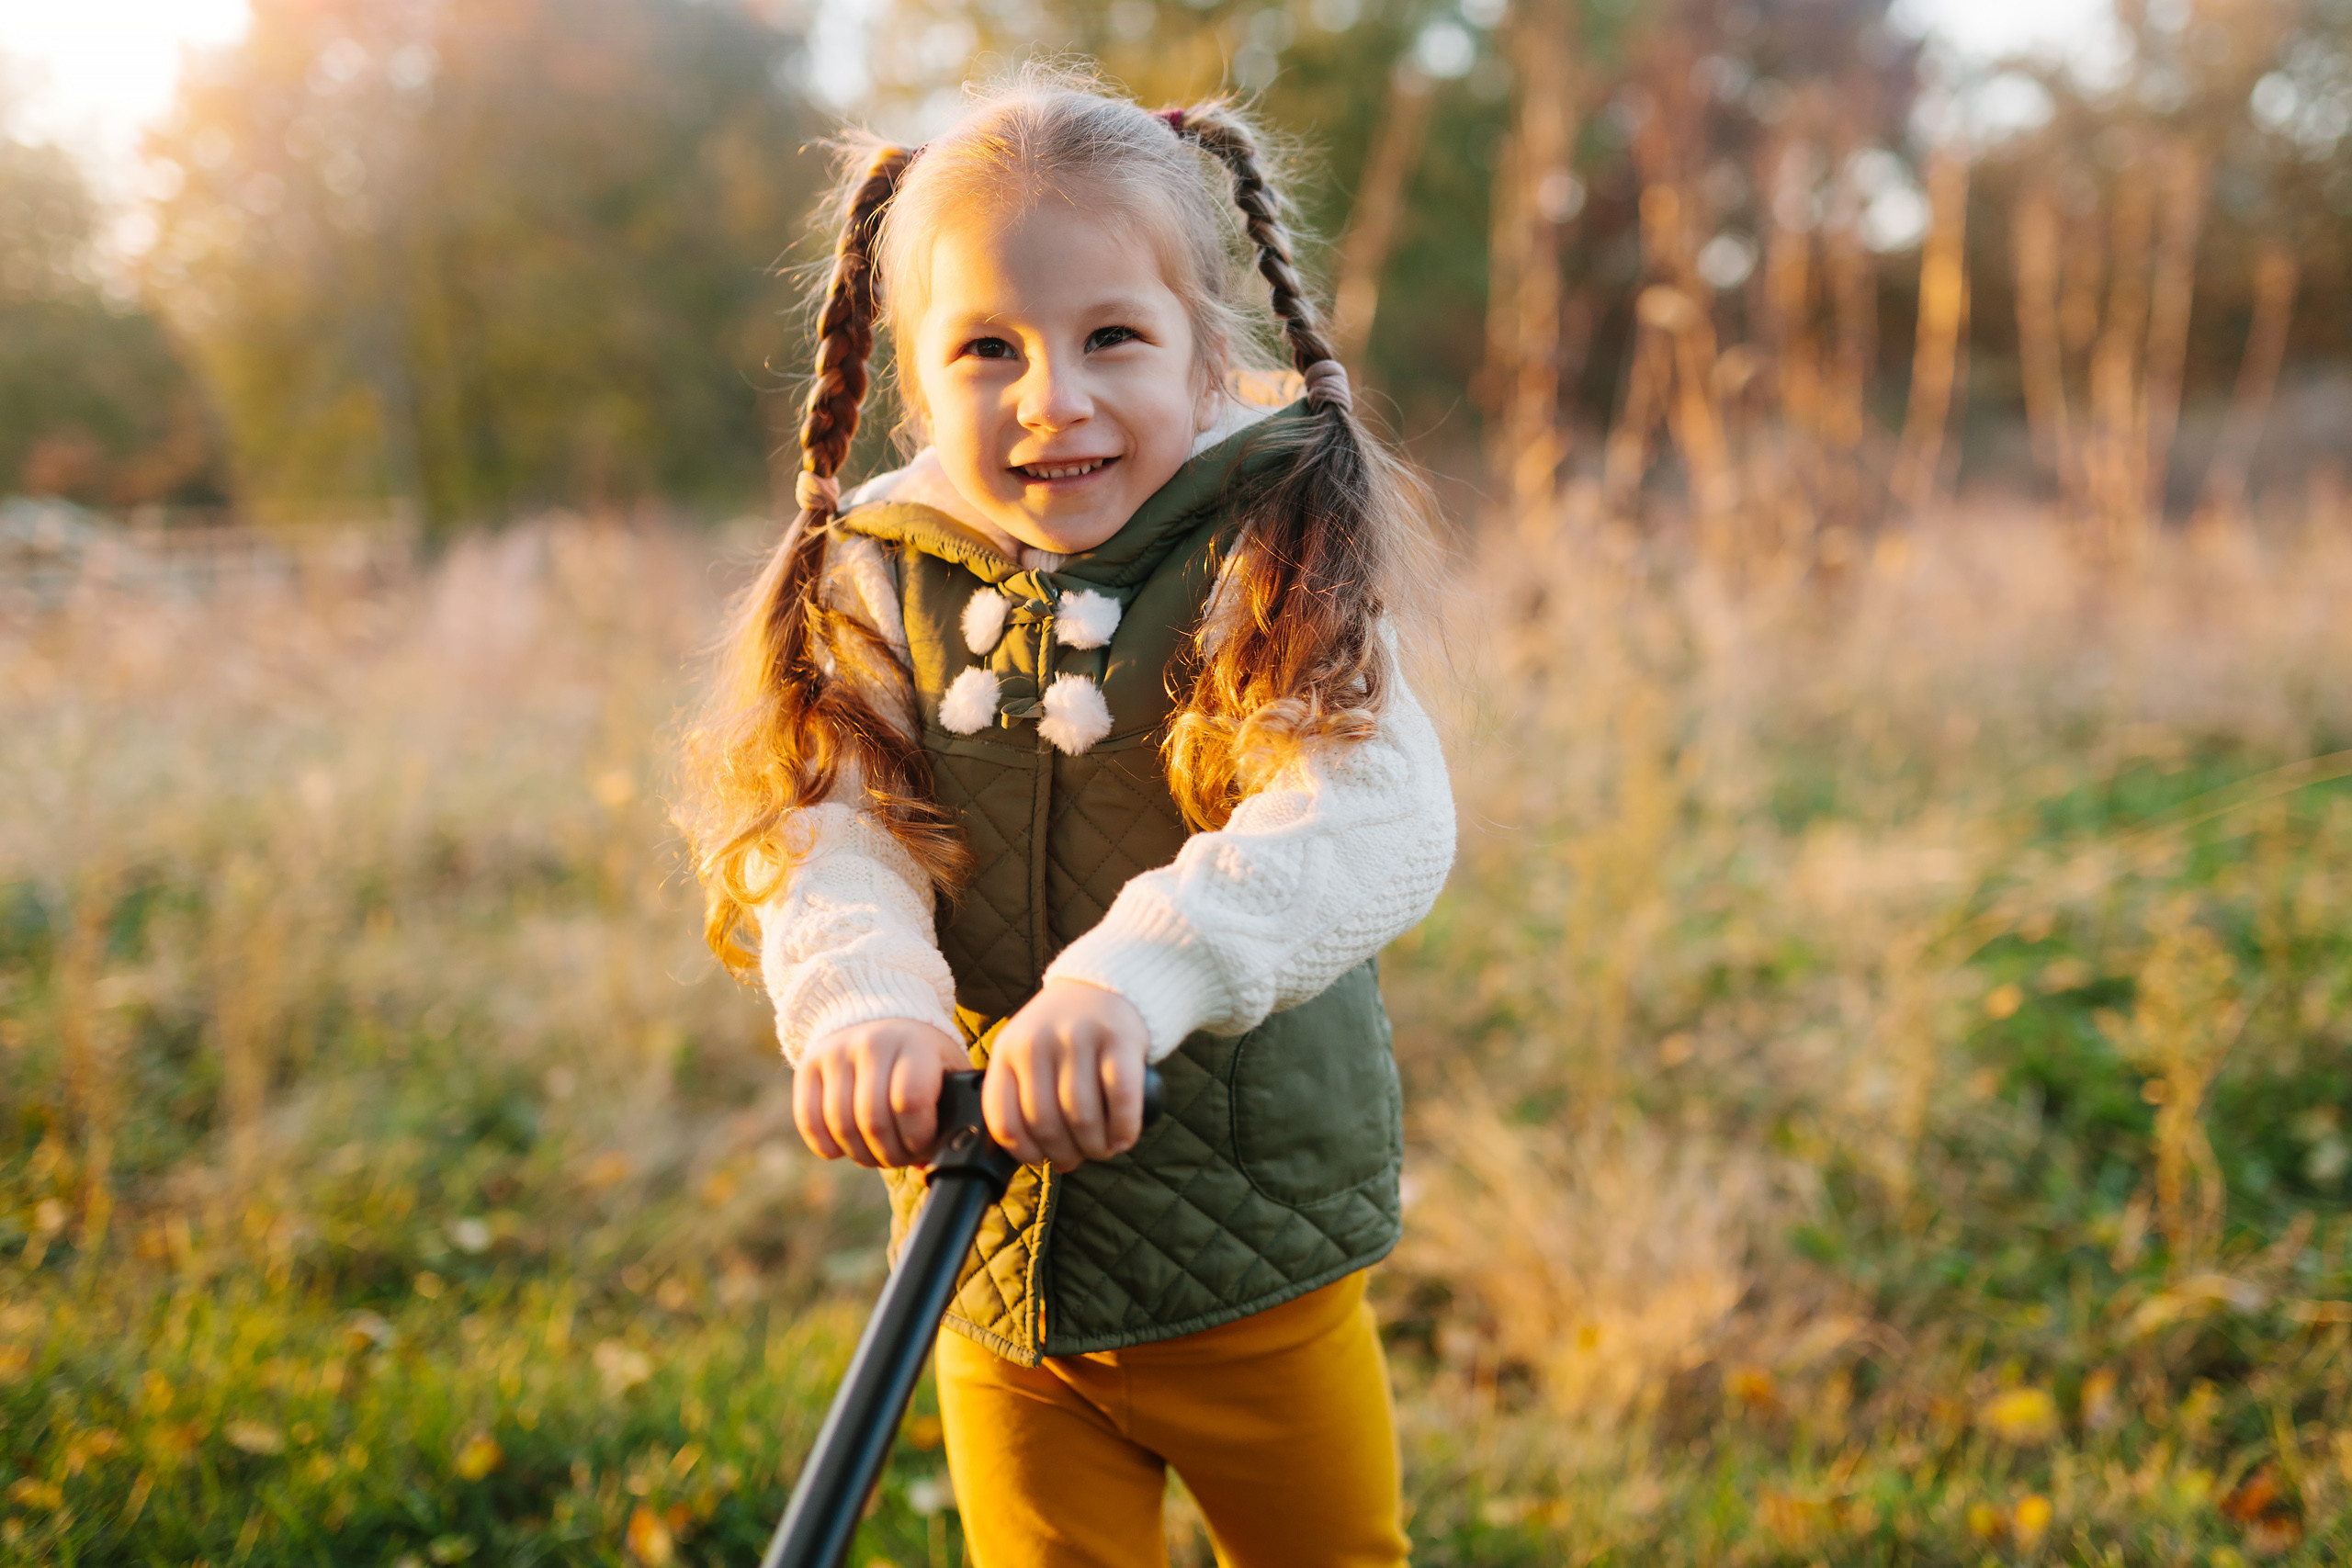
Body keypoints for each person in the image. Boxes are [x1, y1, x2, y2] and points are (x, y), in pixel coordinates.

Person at [678, 66, 1454, 1568]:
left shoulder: (1264, 551)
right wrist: (862, 1003)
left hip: (1249, 1255)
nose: (1055, 399)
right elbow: (831, 827)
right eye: (987, 349)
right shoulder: (879, 582)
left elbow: (1367, 811)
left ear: (1200, 349)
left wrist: (1131, 978)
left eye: (1111, 336)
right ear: (914, 376)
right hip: (985, 1244)